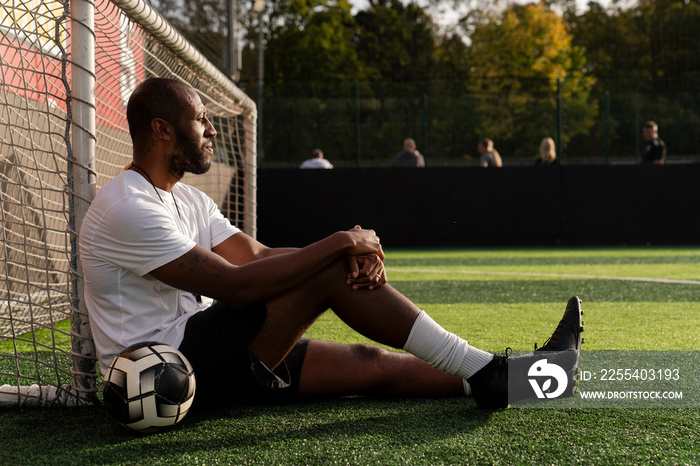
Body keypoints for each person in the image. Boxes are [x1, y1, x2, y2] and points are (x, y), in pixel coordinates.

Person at [80, 78, 583, 412]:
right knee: (324, 269)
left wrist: (339, 252)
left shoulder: (186, 198)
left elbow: (254, 257)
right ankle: (494, 375)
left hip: (210, 356)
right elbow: (236, 286)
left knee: (369, 364)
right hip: (160, 380)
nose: (212, 129)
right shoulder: (127, 207)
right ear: (162, 130)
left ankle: (516, 379)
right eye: (200, 120)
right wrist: (340, 245)